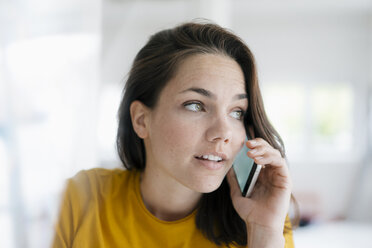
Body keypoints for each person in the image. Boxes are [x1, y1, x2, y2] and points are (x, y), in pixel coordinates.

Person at [52, 21, 295, 248]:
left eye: (236, 112)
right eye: (195, 105)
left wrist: (263, 232)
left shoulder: (264, 221)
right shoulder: (80, 200)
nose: (223, 133)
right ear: (141, 120)